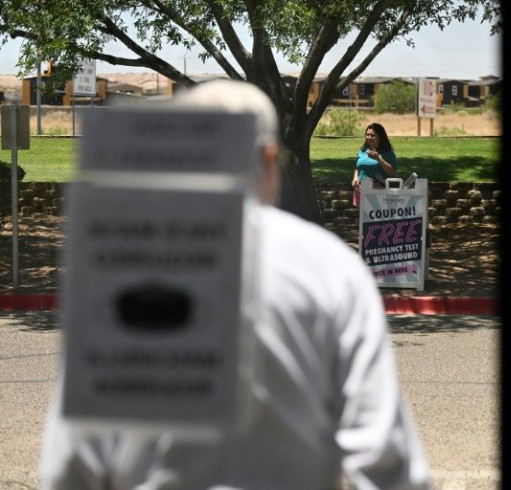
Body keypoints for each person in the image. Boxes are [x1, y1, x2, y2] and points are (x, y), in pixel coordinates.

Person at [40, 80, 431, 490]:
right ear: (268, 160)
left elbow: (70, 466)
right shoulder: (331, 267)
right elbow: (388, 463)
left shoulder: (122, 263)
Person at [352, 123, 397, 207]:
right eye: (367, 135)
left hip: (379, 192)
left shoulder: (387, 153)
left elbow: (392, 173)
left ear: (380, 137)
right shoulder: (362, 151)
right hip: (361, 189)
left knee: (376, 217)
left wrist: (378, 158)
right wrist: (355, 178)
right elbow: (357, 168)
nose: (369, 137)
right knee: (361, 217)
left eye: (372, 135)